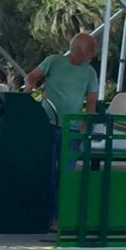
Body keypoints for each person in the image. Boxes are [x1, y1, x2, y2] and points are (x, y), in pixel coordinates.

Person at [23, 32, 100, 223]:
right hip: (47, 125)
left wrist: (85, 125)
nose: (92, 56)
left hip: (72, 130)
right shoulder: (53, 62)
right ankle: (44, 215)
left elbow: (92, 100)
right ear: (79, 51)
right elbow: (32, 77)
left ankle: (60, 217)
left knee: (66, 174)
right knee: (45, 172)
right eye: (90, 52)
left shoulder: (89, 72)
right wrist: (27, 92)